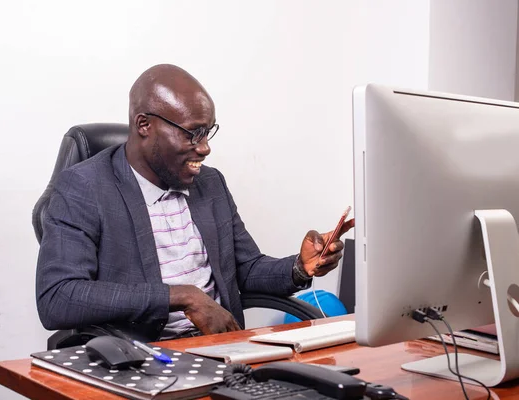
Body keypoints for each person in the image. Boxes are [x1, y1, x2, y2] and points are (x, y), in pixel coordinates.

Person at [35, 64, 354, 341]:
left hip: (224, 350)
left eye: (208, 133)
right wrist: (182, 297)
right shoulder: (85, 187)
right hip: (144, 356)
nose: (205, 148)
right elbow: (58, 297)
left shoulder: (210, 184)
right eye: (192, 134)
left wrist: (300, 266)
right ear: (144, 125)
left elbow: (247, 269)